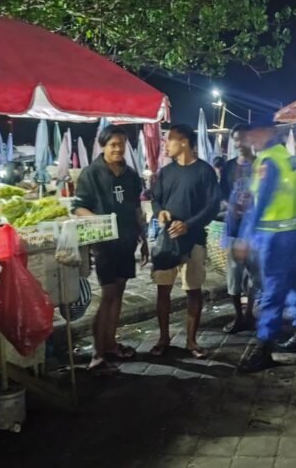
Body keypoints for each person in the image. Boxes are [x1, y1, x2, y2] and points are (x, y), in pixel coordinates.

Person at [237, 115, 296, 373]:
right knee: (294, 283)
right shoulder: (286, 157)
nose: (250, 139)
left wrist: (247, 237)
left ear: (267, 132)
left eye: (254, 134)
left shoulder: (268, 161)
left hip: (274, 237)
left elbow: (264, 200)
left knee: (272, 291)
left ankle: (264, 346)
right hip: (293, 231)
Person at [73, 126, 149, 374]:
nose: (118, 149)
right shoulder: (91, 173)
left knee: (120, 291)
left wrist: (145, 237)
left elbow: (137, 209)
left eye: (121, 144)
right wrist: (100, 222)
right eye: (113, 144)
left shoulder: (130, 175)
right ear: (103, 145)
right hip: (104, 244)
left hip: (128, 241)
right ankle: (97, 353)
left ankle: (111, 343)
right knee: (108, 294)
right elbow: (79, 208)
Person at [151, 124, 219, 359]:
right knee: (163, 290)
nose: (166, 144)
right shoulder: (166, 172)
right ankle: (163, 338)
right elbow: (156, 200)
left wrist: (189, 224)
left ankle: (191, 341)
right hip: (167, 241)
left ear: (184, 142)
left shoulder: (204, 171)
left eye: (170, 140)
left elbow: (212, 207)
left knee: (193, 291)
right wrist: (159, 213)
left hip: (194, 241)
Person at [220, 124, 260, 334]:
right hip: (234, 229)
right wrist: (231, 206)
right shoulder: (228, 167)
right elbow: (223, 193)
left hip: (255, 231)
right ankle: (238, 316)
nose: (239, 143)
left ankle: (249, 314)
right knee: (234, 275)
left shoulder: (262, 165)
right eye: (236, 139)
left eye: (243, 138)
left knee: (255, 274)